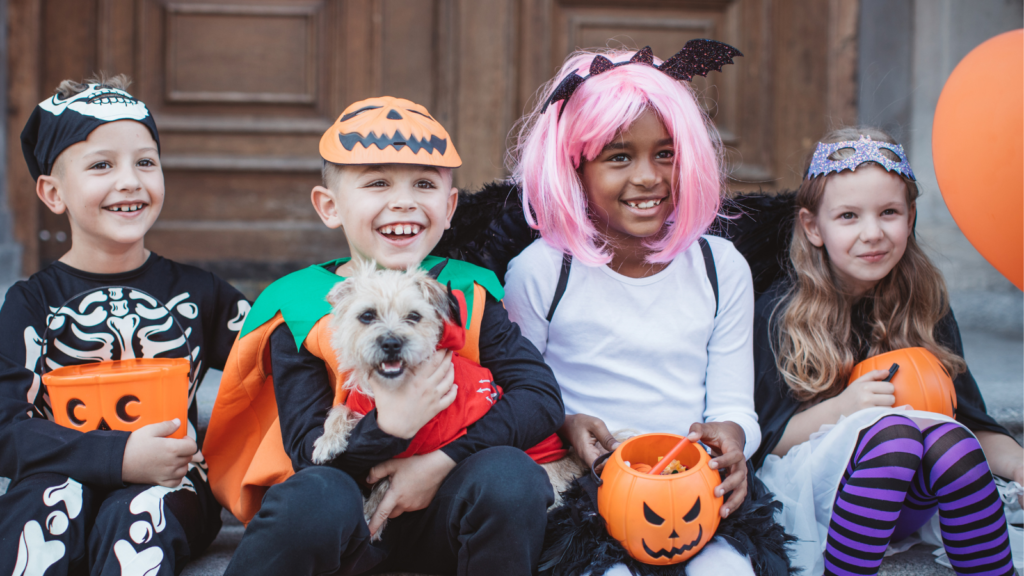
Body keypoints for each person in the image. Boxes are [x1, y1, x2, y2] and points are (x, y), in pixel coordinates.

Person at [203, 96, 564, 576]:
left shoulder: (468, 292)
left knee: (511, 476)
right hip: (345, 522)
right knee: (313, 493)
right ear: (329, 206)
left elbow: (539, 399)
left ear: (450, 206)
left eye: (423, 184)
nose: (404, 201)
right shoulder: (299, 304)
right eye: (377, 183)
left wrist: (440, 461)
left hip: (447, 513)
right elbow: (311, 452)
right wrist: (392, 424)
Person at [503, 44, 789, 576]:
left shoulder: (719, 266)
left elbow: (732, 398)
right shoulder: (541, 272)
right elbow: (520, 396)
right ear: (575, 167)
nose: (649, 177)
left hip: (693, 482)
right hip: (584, 489)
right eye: (619, 157)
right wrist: (564, 422)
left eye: (666, 154)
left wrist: (732, 434)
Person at [0, 75, 249, 575]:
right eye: (101, 165)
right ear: (52, 192)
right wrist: (119, 457)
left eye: (145, 162)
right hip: (57, 476)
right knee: (41, 507)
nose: (131, 180)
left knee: (138, 512)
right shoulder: (31, 304)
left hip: (171, 484)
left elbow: (275, 359)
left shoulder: (201, 294)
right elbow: (6, 429)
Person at [752, 127, 1022, 576]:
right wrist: (845, 408)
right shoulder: (781, 312)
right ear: (812, 227)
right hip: (816, 496)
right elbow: (763, 444)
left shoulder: (924, 304)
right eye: (849, 217)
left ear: (911, 216)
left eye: (889, 212)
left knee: (952, 441)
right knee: (894, 435)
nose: (873, 233)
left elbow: (971, 421)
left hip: (910, 494)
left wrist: (1018, 464)